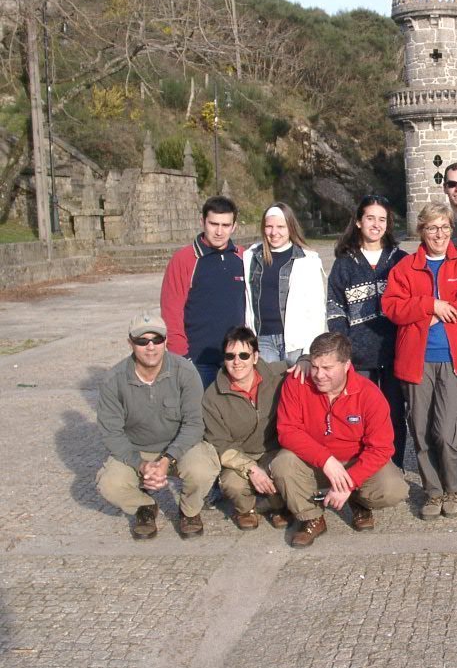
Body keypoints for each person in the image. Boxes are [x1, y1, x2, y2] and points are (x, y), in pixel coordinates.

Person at [382, 203, 457, 520]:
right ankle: (433, 491)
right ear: (421, 231)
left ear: (452, 229)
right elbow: (393, 308)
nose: (439, 234)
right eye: (432, 228)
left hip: (453, 359)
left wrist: (442, 310)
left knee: (449, 430)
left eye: (445, 227)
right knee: (422, 430)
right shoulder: (405, 268)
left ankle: (454, 488)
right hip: (416, 360)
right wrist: (431, 306)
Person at [270, 332, 409, 548]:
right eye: (315, 366)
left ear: (346, 365)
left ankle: (358, 500)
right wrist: (326, 460)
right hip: (313, 462)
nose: (318, 375)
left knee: (393, 488)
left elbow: (381, 448)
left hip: (355, 460)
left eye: (327, 368)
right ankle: (312, 517)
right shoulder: (296, 383)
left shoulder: (368, 393)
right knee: (282, 464)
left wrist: (350, 481)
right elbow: (287, 430)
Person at [96, 311, 220, 540]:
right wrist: (141, 465)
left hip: (180, 446)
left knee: (203, 468)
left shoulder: (185, 371)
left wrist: (166, 460)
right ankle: (144, 506)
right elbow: (112, 434)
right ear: (130, 343)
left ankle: (189, 510)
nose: (150, 347)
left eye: (157, 340)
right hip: (138, 449)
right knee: (109, 483)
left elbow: (194, 423)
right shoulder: (113, 380)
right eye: (142, 341)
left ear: (166, 341)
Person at [326, 195, 408, 468]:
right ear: (359, 222)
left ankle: (393, 466)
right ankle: (365, 467)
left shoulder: (400, 259)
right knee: (360, 415)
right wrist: (344, 350)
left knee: (395, 413)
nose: (376, 224)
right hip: (359, 356)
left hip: (395, 350)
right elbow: (336, 311)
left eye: (381, 219)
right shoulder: (344, 263)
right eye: (370, 218)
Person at [202, 326, 290, 530]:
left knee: (286, 472)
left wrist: (303, 362)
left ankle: (277, 505)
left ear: (255, 357)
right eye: (230, 356)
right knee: (232, 484)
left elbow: (301, 364)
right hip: (239, 455)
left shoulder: (276, 374)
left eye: (244, 355)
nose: (237, 361)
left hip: (273, 450)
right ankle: (246, 509)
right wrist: (251, 469)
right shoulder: (212, 396)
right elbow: (219, 444)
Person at [161, 195, 245, 389]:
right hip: (198, 360)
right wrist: (182, 357)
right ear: (202, 222)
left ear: (234, 227)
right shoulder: (184, 259)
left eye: (225, 225)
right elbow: (171, 311)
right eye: (213, 224)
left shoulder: (242, 257)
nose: (219, 231)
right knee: (198, 417)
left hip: (235, 358)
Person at [242, 202, 326, 365]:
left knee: (296, 389)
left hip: (297, 342)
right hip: (263, 340)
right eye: (269, 227)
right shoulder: (250, 257)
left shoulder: (308, 260)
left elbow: (316, 310)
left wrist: (309, 352)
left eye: (280, 226)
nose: (274, 232)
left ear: (290, 227)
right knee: (270, 389)